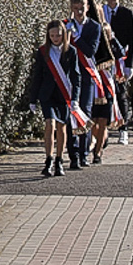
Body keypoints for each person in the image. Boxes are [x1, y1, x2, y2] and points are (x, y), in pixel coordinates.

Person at [29, 20, 81, 177]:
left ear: (64, 34)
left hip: (63, 94)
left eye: (58, 35)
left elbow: (76, 76)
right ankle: (49, 159)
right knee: (50, 124)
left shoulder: (71, 51)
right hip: (47, 95)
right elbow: (36, 76)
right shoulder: (43, 51)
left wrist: (75, 99)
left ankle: (59, 160)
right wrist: (32, 99)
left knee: (61, 127)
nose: (55, 38)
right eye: (52, 35)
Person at [64, 0, 102, 170]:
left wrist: (77, 37)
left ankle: (84, 153)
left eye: (82, 8)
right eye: (76, 9)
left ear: (87, 7)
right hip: (70, 75)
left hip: (86, 76)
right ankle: (72, 154)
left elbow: (90, 52)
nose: (79, 12)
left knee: (85, 113)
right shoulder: (65, 25)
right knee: (71, 114)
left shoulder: (94, 26)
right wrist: (67, 34)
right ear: (72, 8)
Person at [103, 0, 133, 145]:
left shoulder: (126, 13)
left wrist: (130, 65)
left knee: (121, 94)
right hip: (103, 61)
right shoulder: (101, 12)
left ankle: (123, 129)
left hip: (120, 60)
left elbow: (132, 40)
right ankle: (105, 130)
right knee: (105, 95)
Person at [90, 23, 126, 164]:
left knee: (103, 123)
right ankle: (94, 141)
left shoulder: (113, 49)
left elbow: (121, 54)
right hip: (95, 90)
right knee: (94, 123)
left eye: (107, 34)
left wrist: (113, 39)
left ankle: (98, 153)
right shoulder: (95, 49)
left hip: (108, 90)